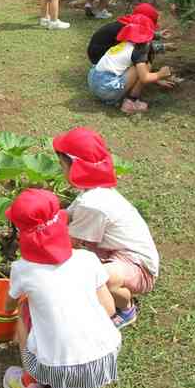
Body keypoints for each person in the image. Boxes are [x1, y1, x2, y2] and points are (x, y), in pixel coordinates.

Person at [2, 188, 121, 388]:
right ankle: (84, 381)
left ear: (23, 236)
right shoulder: (87, 259)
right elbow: (110, 309)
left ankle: (31, 387)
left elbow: (8, 307)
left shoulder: (23, 270)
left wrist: (17, 307)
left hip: (54, 367)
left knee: (23, 313)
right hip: (105, 356)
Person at [53, 127, 160, 330]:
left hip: (139, 268)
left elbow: (69, 245)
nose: (61, 170)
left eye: (62, 165)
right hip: (119, 256)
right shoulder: (94, 192)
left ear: (75, 167)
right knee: (87, 270)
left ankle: (126, 308)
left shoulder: (92, 204)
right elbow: (67, 215)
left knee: (95, 277)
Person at [87, 12, 174, 113]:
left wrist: (156, 79)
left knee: (138, 67)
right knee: (145, 65)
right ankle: (130, 103)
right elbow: (144, 77)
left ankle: (118, 96)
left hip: (93, 81)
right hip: (106, 88)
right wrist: (160, 74)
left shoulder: (125, 44)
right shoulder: (139, 51)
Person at [86, 3, 174, 66]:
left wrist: (158, 35)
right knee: (141, 56)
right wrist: (163, 47)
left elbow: (142, 32)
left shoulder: (127, 23)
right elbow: (139, 50)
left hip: (96, 53)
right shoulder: (129, 30)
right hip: (99, 57)